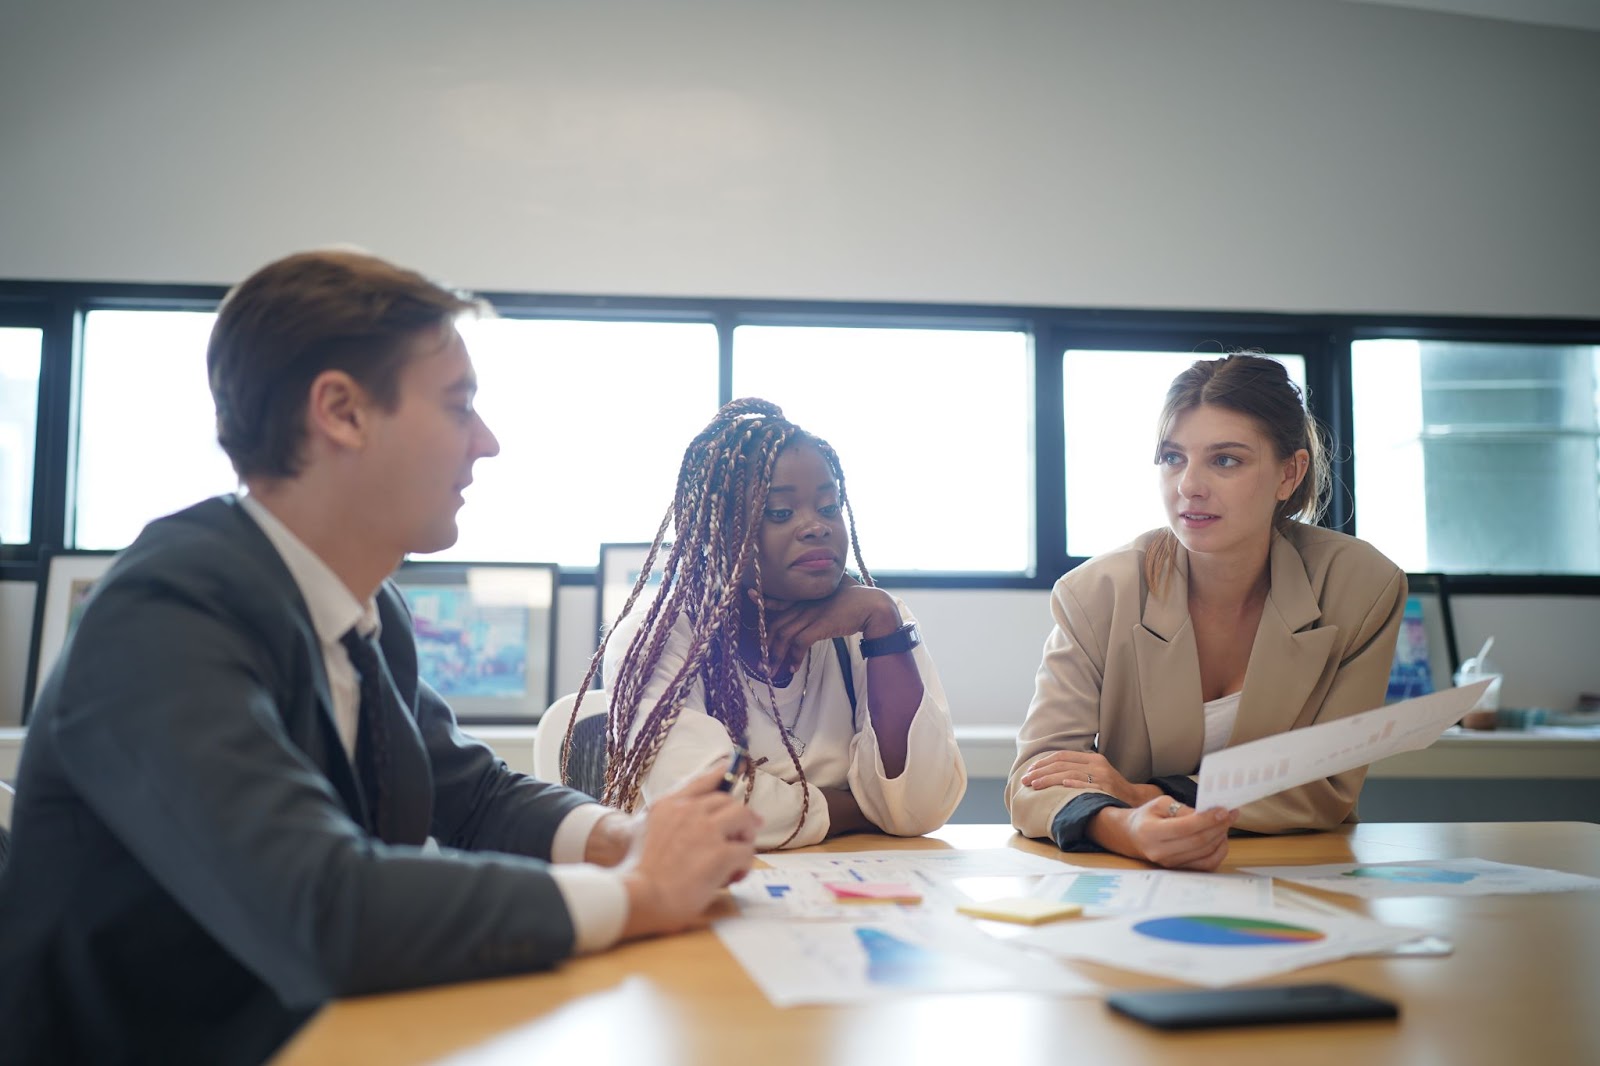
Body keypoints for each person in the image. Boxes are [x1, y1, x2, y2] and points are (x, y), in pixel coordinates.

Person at [0, 250, 759, 1066]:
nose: (488, 443)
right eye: (459, 406)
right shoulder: (164, 613)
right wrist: (635, 894)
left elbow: (468, 798)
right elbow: (322, 905)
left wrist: (625, 836)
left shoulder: (368, 610)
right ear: (342, 412)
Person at [1008, 354, 1405, 871]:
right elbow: (1035, 779)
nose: (1188, 485)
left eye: (1225, 460)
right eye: (1173, 458)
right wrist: (1126, 827)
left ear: (1290, 472)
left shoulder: (1360, 587)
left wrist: (1140, 794)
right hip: (1132, 870)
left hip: (1293, 865)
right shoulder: (1097, 592)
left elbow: (1325, 785)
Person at [572, 398, 966, 850]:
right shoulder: (659, 639)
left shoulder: (876, 622)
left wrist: (881, 624)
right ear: (720, 533)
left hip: (845, 897)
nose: (815, 527)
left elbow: (922, 807)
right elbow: (709, 812)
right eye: (780, 512)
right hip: (702, 894)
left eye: (828, 507)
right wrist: (861, 810)